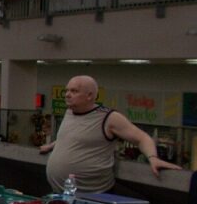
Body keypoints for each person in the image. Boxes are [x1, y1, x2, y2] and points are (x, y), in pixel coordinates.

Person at [41, 75, 181, 193]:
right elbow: (75, 136)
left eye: (74, 91)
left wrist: (153, 157)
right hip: (62, 192)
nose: (67, 95)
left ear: (90, 95)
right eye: (67, 90)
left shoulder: (109, 118)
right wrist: (54, 145)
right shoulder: (69, 112)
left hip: (93, 194)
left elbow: (142, 138)